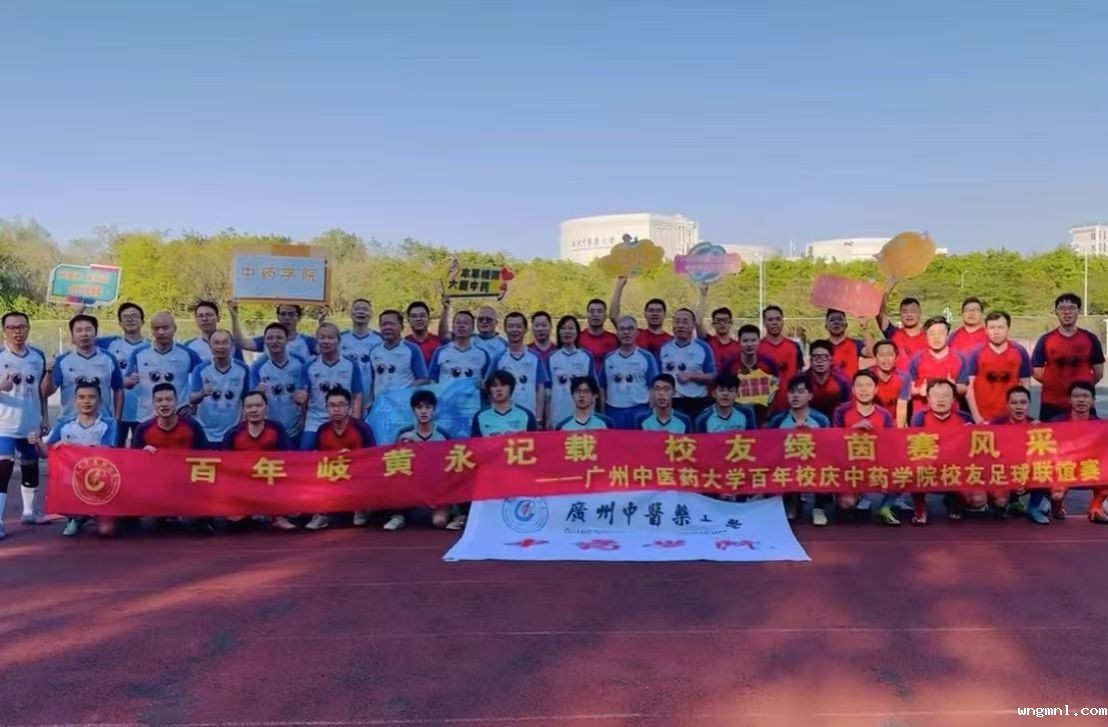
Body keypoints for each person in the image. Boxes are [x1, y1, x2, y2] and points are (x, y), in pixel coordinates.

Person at [29, 381, 117, 537]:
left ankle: (93, 514)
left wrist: (71, 447)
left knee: (106, 531)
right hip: (73, 482)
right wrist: (37, 441)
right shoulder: (65, 425)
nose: (86, 401)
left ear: (100, 401)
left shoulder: (109, 424)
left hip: (100, 482)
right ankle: (77, 517)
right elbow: (46, 453)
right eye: (81, 397)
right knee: (59, 493)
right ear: (75, 401)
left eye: (91, 397)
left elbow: (105, 452)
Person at [133, 382, 209, 533]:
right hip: (157, 486)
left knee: (201, 527)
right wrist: (142, 453)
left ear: (176, 401)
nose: (164, 404)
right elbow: (132, 464)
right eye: (159, 400)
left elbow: (206, 458)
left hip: (187, 483)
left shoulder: (192, 426)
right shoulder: (143, 429)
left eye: (168, 399)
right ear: (153, 403)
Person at [0, 311, 49, 535]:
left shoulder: (38, 356)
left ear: (28, 328)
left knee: (30, 465)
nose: (17, 332)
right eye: (11, 327)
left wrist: (44, 417)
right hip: (4, 425)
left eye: (21, 327)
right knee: (3, 469)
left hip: (30, 424)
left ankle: (29, 512)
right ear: (4, 330)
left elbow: (41, 391)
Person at [220, 390, 294, 532]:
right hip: (244, 483)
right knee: (236, 527)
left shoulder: (277, 429)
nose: (254, 410)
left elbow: (288, 457)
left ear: (266, 407)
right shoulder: (233, 433)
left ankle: (278, 516)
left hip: (271, 479)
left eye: (258, 405)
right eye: (249, 406)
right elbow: (224, 463)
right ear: (243, 409)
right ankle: (248, 514)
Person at [832, 371, 897, 525]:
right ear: (853, 390)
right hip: (849, 468)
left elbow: (891, 444)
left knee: (904, 473)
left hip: (875, 466)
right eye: (859, 386)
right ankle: (854, 497)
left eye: (868, 385)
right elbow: (833, 441)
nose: (864, 389)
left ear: (876, 389)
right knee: (846, 505)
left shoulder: (885, 415)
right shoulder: (841, 411)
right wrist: (853, 430)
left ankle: (885, 507)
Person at [308, 387, 375, 531]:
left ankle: (361, 509)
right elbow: (317, 456)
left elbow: (373, 457)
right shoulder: (322, 429)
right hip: (332, 475)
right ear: (326, 408)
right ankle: (320, 514)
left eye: (341, 405)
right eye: (332, 405)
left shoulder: (362, 428)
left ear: (349, 408)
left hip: (357, 474)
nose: (336, 409)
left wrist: (353, 456)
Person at [766, 375, 831, 523]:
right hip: (788, 463)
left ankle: (818, 508)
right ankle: (791, 502)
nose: (795, 396)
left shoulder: (821, 420)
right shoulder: (778, 420)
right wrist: (790, 435)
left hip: (813, 463)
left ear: (810, 396)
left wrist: (810, 436)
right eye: (792, 392)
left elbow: (828, 448)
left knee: (826, 466)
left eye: (801, 392)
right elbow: (770, 449)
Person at [1032, 293, 1104, 422]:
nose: (1067, 312)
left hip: (1083, 404)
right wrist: (1054, 383)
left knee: (1086, 435)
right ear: (1056, 312)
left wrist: (1082, 388)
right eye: (1062, 308)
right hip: (1052, 403)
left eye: (1071, 308)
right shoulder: (1046, 340)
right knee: (1051, 435)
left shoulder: (1090, 339)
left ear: (1078, 311)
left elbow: (1099, 373)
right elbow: (1036, 371)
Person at [909, 379, 973, 526]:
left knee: (975, 499)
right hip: (929, 464)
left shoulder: (965, 418)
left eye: (945, 395)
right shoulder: (919, 417)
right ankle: (920, 507)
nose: (941, 399)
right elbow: (915, 447)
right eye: (936, 395)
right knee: (914, 466)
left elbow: (971, 449)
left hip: (954, 467)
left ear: (953, 399)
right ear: (928, 399)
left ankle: (954, 500)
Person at [1042, 382, 1102, 524]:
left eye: (1085, 396)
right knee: (1056, 494)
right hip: (1064, 469)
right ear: (1069, 400)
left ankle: (1096, 508)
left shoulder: (1101, 427)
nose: (1081, 400)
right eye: (1076, 396)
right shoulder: (1055, 423)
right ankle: (1056, 506)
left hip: (1089, 469)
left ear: (1093, 401)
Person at [125, 312, 203, 423]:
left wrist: (194, 405)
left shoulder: (187, 353)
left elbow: (205, 378)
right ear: (151, 330)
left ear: (174, 328)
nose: (161, 332)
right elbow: (126, 381)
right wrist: (129, 382)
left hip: (179, 418)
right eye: (156, 328)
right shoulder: (138, 353)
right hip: (147, 418)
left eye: (165, 328)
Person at [299, 322, 364, 451]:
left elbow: (357, 394)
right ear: (317, 341)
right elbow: (303, 396)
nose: (326, 341)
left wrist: (355, 421)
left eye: (330, 337)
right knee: (305, 453)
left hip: (344, 419)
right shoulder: (308, 367)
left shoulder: (351, 365)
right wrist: (302, 417)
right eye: (322, 338)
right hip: (316, 420)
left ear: (338, 340)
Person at [46, 314, 123, 422]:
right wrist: (48, 373)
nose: (84, 334)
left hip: (102, 422)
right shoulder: (62, 361)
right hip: (69, 422)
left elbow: (118, 389)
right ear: (72, 335)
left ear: (96, 333)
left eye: (88, 329)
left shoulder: (109, 359)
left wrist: (117, 418)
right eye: (79, 330)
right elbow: (47, 392)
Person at [396, 390, 454, 529]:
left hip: (438, 489)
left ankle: (454, 514)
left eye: (428, 407)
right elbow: (397, 465)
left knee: (439, 522)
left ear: (434, 410)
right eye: (419, 407)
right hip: (412, 488)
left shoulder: (443, 435)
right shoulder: (404, 434)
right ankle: (397, 514)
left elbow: (450, 468)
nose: (423, 411)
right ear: (413, 410)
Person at [962, 311, 1032, 424]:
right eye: (992, 327)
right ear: (986, 330)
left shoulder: (1019, 351)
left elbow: (1025, 384)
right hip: (983, 418)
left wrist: (1024, 414)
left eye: (1000, 327)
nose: (996, 332)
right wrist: (976, 417)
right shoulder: (976, 353)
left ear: (1008, 328)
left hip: (1010, 418)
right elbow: (969, 388)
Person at [97, 302, 149, 446]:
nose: (130, 319)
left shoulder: (151, 346)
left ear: (143, 321)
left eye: (134, 316)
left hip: (144, 413)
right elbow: (79, 338)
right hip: (116, 412)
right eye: (125, 317)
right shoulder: (110, 344)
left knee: (141, 453)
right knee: (115, 452)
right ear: (120, 323)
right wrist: (79, 310)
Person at [188, 329, 250, 445]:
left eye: (224, 342)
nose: (221, 347)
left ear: (232, 345)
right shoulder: (200, 369)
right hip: (205, 432)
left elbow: (248, 398)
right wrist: (202, 393)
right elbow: (191, 399)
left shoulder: (243, 369)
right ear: (210, 346)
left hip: (233, 431)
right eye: (216, 343)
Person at [249, 323, 308, 441]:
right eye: (270, 338)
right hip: (270, 428)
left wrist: (304, 416)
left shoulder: (300, 362)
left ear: (287, 340)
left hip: (297, 427)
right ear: (265, 341)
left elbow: (307, 392)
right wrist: (257, 392)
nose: (274, 341)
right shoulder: (257, 366)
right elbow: (251, 398)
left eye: (279, 338)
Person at [600, 315, 658, 429]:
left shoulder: (647, 357)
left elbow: (653, 387)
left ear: (637, 333)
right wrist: (603, 411)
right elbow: (602, 387)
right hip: (614, 411)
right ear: (617, 333)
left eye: (630, 329)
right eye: (622, 329)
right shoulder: (608, 358)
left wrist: (650, 411)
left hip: (640, 410)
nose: (626, 332)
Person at [659, 308, 716, 419]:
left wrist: (692, 376)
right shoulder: (664, 348)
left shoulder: (703, 347)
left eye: (685, 322)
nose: (680, 325)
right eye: (677, 321)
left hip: (697, 402)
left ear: (693, 325)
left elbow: (713, 376)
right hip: (671, 402)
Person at [366, 310, 429, 410]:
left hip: (404, 407)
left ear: (402, 327)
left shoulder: (412, 349)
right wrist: (371, 400)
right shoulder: (374, 351)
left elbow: (423, 379)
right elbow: (374, 379)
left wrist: (403, 394)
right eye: (384, 324)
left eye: (392, 324)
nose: (387, 327)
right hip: (380, 406)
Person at [494, 312, 548, 424]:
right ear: (505, 329)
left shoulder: (535, 357)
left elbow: (540, 389)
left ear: (525, 329)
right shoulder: (498, 357)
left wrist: (538, 418)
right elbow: (489, 387)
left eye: (518, 326)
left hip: (529, 416)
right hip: (503, 419)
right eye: (510, 326)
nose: (514, 330)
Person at [546, 315, 597, 429]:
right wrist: (548, 417)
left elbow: (593, 388)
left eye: (571, 328)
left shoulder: (586, 356)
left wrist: (592, 412)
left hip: (583, 411)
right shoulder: (552, 357)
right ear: (558, 332)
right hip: (558, 410)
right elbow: (547, 390)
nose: (567, 332)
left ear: (577, 332)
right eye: (563, 328)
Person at [906, 316, 966, 409]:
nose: (936, 337)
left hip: (951, 412)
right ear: (926, 336)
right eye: (932, 333)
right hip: (922, 412)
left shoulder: (960, 358)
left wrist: (954, 387)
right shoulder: (916, 359)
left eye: (941, 333)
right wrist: (919, 391)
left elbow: (964, 388)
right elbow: (907, 389)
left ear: (948, 335)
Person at [724, 324, 779, 425]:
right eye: (745, 341)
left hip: (763, 417)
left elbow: (775, 388)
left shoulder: (768, 363)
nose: (749, 344)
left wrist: (768, 416)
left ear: (759, 341)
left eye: (753, 340)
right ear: (739, 342)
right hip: (737, 418)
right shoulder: (730, 364)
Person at [231, 302, 318, 362]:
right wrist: (234, 317)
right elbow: (241, 343)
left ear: (299, 317)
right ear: (278, 317)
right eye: (283, 314)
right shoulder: (268, 340)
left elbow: (323, 350)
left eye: (291, 314)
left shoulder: (307, 342)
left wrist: (321, 321)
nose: (286, 318)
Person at [758, 305, 805, 415]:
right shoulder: (757, 348)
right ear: (764, 323)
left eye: (778, 319)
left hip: (790, 409)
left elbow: (800, 377)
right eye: (770, 320)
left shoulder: (794, 346)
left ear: (782, 321)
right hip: (764, 410)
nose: (775, 323)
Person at [428, 311, 492, 390]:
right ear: (453, 327)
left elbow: (488, 381)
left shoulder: (483, 354)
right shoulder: (440, 352)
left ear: (473, 328)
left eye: (465, 323)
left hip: (472, 397)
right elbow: (432, 379)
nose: (461, 326)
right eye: (458, 323)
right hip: (446, 397)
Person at [609, 277, 672, 356]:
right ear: (645, 314)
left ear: (665, 314)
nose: (655, 314)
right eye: (651, 310)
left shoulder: (671, 341)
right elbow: (614, 316)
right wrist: (619, 285)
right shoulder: (635, 334)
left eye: (658, 311)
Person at [340, 298, 384, 396]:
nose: (361, 312)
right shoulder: (339, 338)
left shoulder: (381, 339)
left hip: (373, 394)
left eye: (365, 309)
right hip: (345, 393)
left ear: (371, 314)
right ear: (350, 313)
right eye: (357, 309)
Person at [800, 340, 851, 420]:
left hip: (835, 424)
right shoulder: (801, 380)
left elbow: (847, 409)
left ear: (831, 360)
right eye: (816, 357)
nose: (820, 361)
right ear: (810, 360)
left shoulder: (842, 382)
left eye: (824, 357)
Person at [877, 296, 927, 372]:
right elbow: (880, 313)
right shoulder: (893, 333)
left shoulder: (929, 337)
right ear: (900, 314)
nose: (909, 314)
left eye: (913, 311)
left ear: (919, 313)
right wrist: (886, 291)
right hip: (898, 378)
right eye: (905, 311)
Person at [868, 340, 910, 427]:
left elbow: (901, 408)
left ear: (896, 358)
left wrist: (899, 430)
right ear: (875, 358)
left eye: (890, 355)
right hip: (871, 423)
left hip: (893, 423)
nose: (886, 359)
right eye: (882, 355)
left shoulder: (903, 378)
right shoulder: (867, 376)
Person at [578, 298, 619, 370]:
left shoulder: (614, 339)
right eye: (592, 311)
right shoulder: (577, 338)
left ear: (605, 316)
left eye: (599, 311)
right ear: (587, 315)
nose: (595, 315)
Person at [824, 309, 865, 379]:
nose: (836, 322)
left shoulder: (856, 344)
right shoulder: (821, 347)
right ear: (826, 326)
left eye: (840, 319)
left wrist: (865, 328)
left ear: (846, 325)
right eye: (832, 320)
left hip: (851, 385)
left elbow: (871, 352)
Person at [705, 307, 740, 375]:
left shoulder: (739, 346)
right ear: (713, 324)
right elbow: (697, 323)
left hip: (732, 381)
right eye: (718, 321)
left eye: (725, 320)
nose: (722, 323)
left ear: (731, 323)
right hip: (711, 380)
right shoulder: (708, 342)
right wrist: (702, 300)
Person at [404, 301, 441, 366]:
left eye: (422, 316)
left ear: (429, 318)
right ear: (408, 320)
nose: (418, 319)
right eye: (414, 316)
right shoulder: (403, 345)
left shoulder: (439, 344)